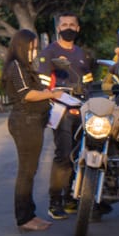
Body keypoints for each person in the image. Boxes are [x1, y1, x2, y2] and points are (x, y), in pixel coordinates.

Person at [2, 28, 66, 231]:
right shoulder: (16, 66)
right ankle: (24, 218)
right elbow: (26, 94)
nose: (34, 51)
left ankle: (29, 214)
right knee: (26, 171)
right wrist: (52, 95)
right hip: (25, 122)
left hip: (32, 121)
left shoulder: (25, 67)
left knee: (30, 170)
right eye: (32, 47)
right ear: (22, 46)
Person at [34, 12, 95, 219]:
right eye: (64, 24)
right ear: (58, 29)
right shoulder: (49, 53)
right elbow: (43, 86)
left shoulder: (83, 54)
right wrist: (55, 100)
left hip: (83, 110)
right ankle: (55, 201)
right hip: (61, 111)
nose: (68, 27)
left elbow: (88, 83)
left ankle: (71, 198)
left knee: (80, 155)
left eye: (72, 24)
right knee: (64, 155)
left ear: (77, 29)